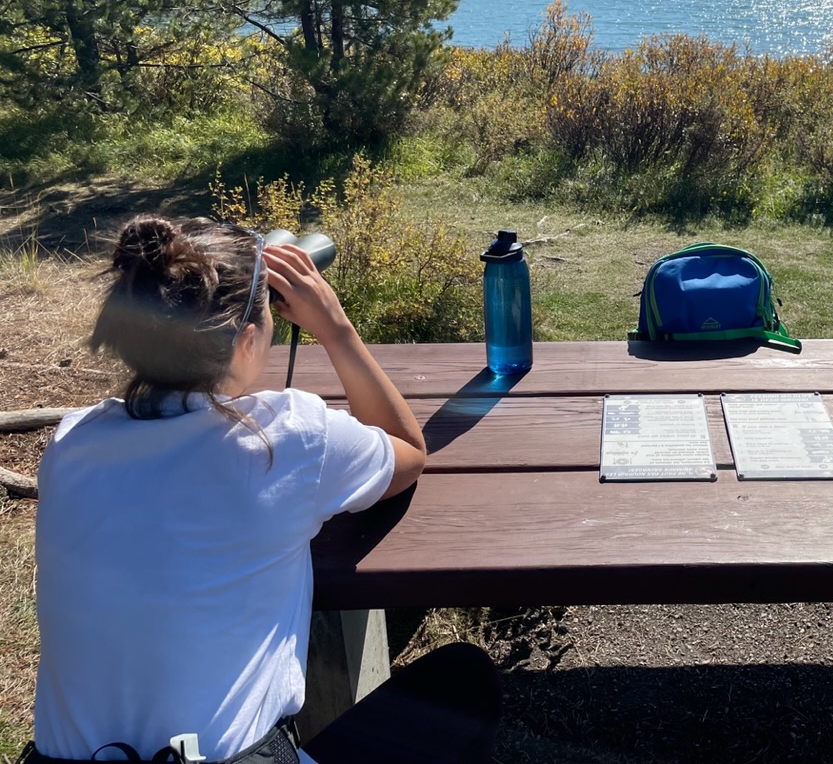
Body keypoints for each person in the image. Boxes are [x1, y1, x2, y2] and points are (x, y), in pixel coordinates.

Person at [24, 216, 500, 764]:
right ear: (247, 341)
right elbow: (407, 452)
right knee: (464, 682)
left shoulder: (70, 444)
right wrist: (335, 327)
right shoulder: (285, 441)